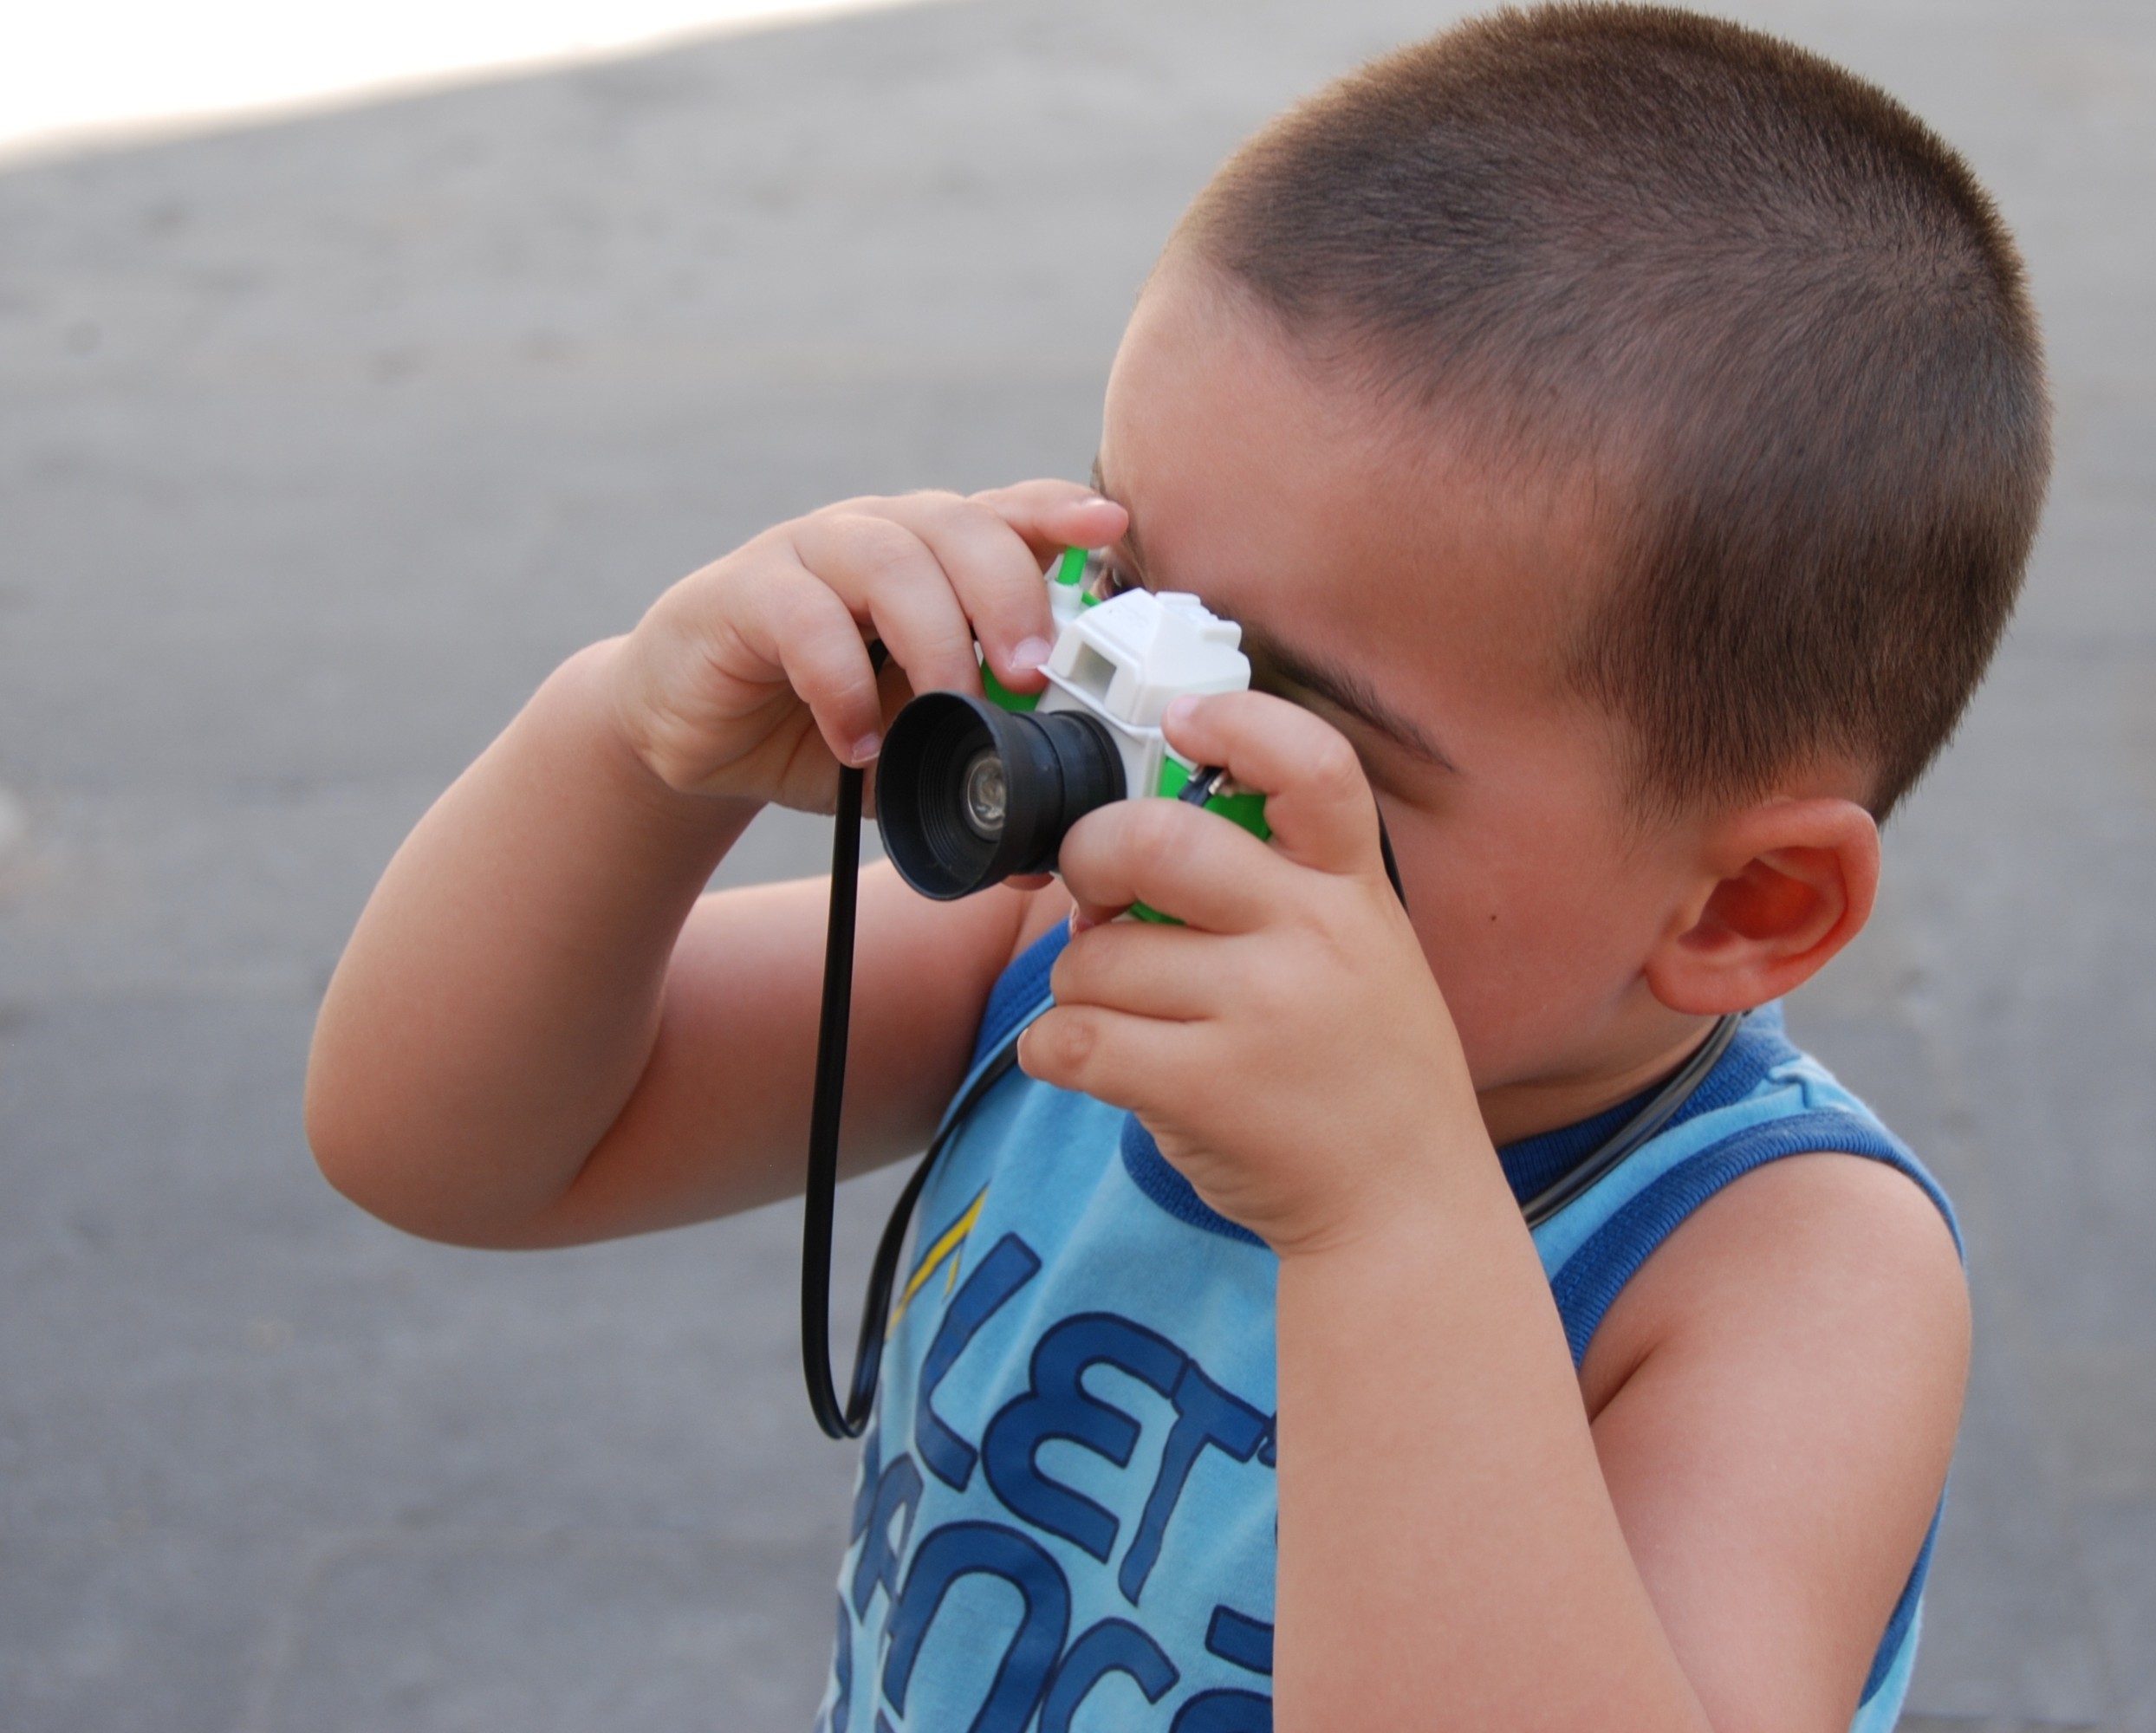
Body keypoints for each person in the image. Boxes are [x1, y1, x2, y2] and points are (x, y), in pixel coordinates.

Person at [305, 6, 2049, 1729]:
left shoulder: (1781, 1267)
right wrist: (628, 743)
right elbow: (446, 1149)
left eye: (1284, 729)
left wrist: (1382, 1204)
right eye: (1124, 609)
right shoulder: (1042, 950)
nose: (1129, 765)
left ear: (1744, 909)